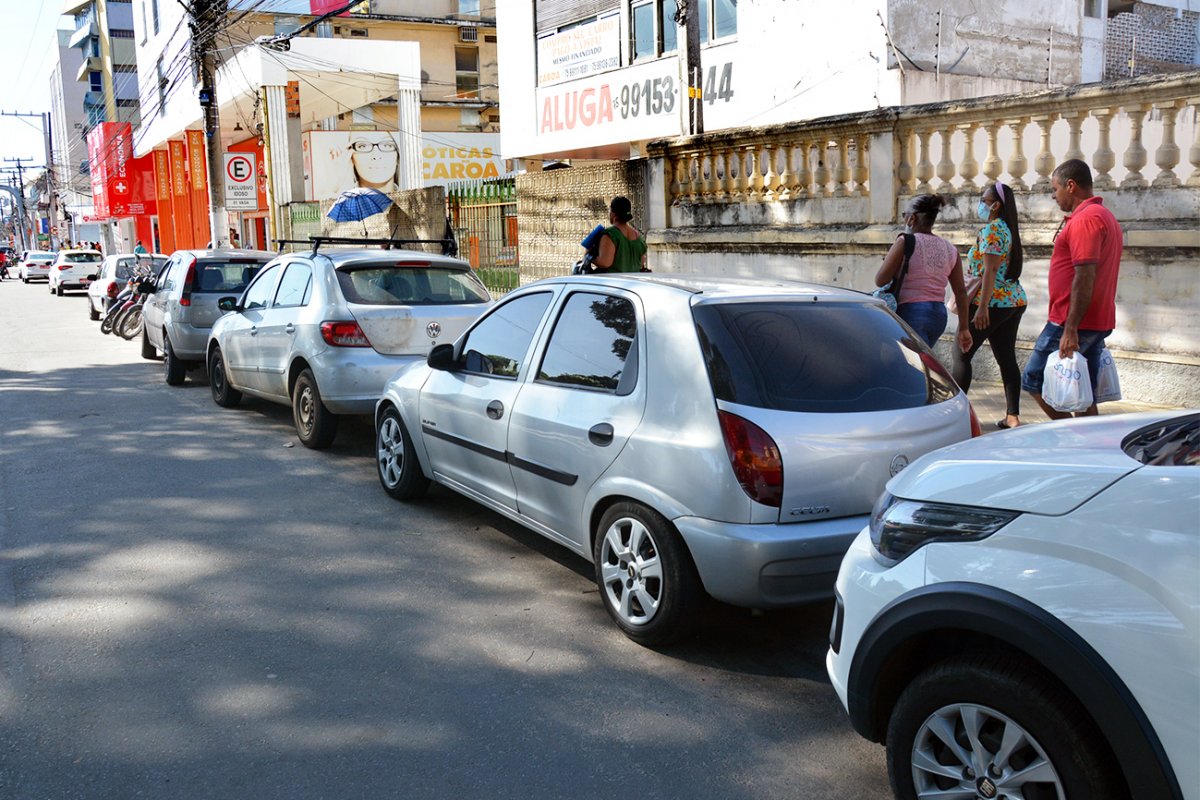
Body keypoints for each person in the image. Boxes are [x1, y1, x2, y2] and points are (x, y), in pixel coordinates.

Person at [1022, 158, 1122, 419]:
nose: (1053, 196)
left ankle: (1069, 433)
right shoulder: (1101, 215)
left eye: (1055, 189)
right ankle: (1086, 438)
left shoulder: (1087, 219)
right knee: (1083, 391)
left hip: (1072, 320)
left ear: (1070, 186)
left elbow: (1085, 275)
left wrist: (1070, 328)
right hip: (1091, 319)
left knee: (1033, 380)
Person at [951, 182, 1028, 429]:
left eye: (984, 200)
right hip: (1013, 300)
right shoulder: (1008, 229)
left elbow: (990, 270)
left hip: (992, 302)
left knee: (961, 353)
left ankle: (955, 416)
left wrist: (983, 307)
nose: (981, 204)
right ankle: (1012, 416)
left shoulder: (993, 230)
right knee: (1006, 357)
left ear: (996, 205)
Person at [875, 194, 972, 352]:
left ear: (911, 219)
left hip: (912, 312)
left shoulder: (905, 242)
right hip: (938, 315)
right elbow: (961, 291)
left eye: (904, 215)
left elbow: (880, 280)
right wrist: (964, 328)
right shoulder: (950, 249)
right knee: (921, 358)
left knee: (910, 362)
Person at [590, 196, 647, 273]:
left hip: (613, 280)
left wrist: (589, 257)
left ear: (613, 214)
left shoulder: (610, 234)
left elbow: (605, 262)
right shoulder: (638, 237)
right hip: (633, 279)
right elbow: (641, 263)